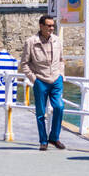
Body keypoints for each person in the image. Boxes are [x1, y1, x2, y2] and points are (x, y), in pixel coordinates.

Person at [20, 15, 65, 151]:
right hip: (40, 80)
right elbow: (24, 63)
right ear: (41, 26)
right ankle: (43, 140)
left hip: (56, 79)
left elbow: (62, 60)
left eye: (53, 26)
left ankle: (54, 137)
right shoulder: (31, 42)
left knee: (59, 107)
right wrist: (34, 79)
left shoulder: (57, 40)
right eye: (49, 25)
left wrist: (61, 75)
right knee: (40, 113)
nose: (51, 28)